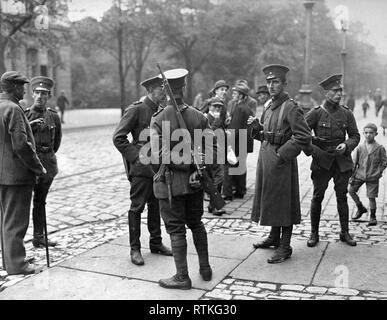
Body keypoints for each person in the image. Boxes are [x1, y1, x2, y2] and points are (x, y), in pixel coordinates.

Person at [150, 68, 216, 290]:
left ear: (165, 90)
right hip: (195, 183)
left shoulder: (159, 118)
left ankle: (182, 277)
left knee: (176, 229)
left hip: (171, 186)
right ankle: (205, 269)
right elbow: (213, 148)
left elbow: (157, 154)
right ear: (184, 88)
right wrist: (198, 168)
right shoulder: (199, 116)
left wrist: (184, 164)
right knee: (196, 224)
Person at [249, 64, 312, 263]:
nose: (271, 86)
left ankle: (285, 246)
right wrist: (256, 128)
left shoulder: (291, 107)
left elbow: (303, 136)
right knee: (271, 200)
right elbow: (266, 133)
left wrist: (282, 154)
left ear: (284, 84)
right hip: (266, 159)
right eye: (269, 82)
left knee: (283, 203)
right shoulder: (268, 105)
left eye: (275, 82)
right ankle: (274, 237)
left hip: (281, 162)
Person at [113, 75, 172, 266]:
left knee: (156, 205)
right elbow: (118, 137)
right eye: (161, 89)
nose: (164, 92)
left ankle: (156, 243)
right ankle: (135, 248)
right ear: (151, 90)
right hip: (142, 168)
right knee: (137, 207)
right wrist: (137, 158)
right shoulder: (137, 109)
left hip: (158, 166)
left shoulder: (162, 110)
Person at [305, 74, 360, 248]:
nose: (339, 94)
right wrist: (315, 152)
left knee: (342, 197)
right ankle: (314, 233)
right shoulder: (315, 113)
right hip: (322, 161)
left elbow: (355, 136)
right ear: (326, 93)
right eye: (335, 91)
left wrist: (346, 145)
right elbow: (302, 136)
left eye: (340, 91)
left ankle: (344, 232)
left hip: (341, 162)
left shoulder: (346, 113)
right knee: (317, 196)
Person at [0, 71, 46, 275]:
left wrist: (29, 126)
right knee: (16, 222)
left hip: (2, 174)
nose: (24, 89)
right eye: (22, 86)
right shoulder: (14, 109)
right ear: (14, 88)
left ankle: (8, 260)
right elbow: (21, 145)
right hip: (17, 176)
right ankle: (17, 265)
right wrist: (38, 167)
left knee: (5, 219)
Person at [25, 76, 62, 248]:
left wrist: (47, 158)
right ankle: (16, 243)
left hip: (47, 164)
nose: (40, 96)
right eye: (37, 93)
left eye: (44, 93)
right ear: (33, 94)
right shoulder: (24, 115)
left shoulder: (53, 116)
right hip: (28, 166)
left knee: (40, 201)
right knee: (23, 203)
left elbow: (57, 143)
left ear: (49, 96)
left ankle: (39, 237)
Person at [350, 123, 387, 226]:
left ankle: (373, 217)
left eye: (371, 133)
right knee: (350, 190)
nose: (368, 135)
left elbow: (384, 162)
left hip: (372, 176)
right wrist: (351, 176)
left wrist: (378, 172)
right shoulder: (360, 147)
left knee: (371, 197)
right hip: (360, 174)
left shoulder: (379, 148)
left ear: (376, 134)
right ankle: (360, 207)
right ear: (363, 133)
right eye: (366, 133)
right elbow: (354, 163)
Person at [223, 83, 254, 201]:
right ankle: (240, 191)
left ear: (241, 96)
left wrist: (228, 142)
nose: (233, 95)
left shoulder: (239, 108)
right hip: (244, 142)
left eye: (235, 93)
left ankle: (227, 193)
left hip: (236, 142)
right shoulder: (247, 108)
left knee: (229, 166)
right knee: (240, 166)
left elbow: (234, 129)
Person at [204, 97, 227, 216]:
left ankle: (213, 205)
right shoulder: (206, 118)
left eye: (219, 106)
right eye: (215, 106)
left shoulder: (219, 118)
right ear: (209, 106)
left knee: (217, 179)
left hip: (218, 151)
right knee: (218, 178)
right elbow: (205, 135)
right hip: (211, 152)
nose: (217, 108)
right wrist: (215, 124)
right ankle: (214, 206)